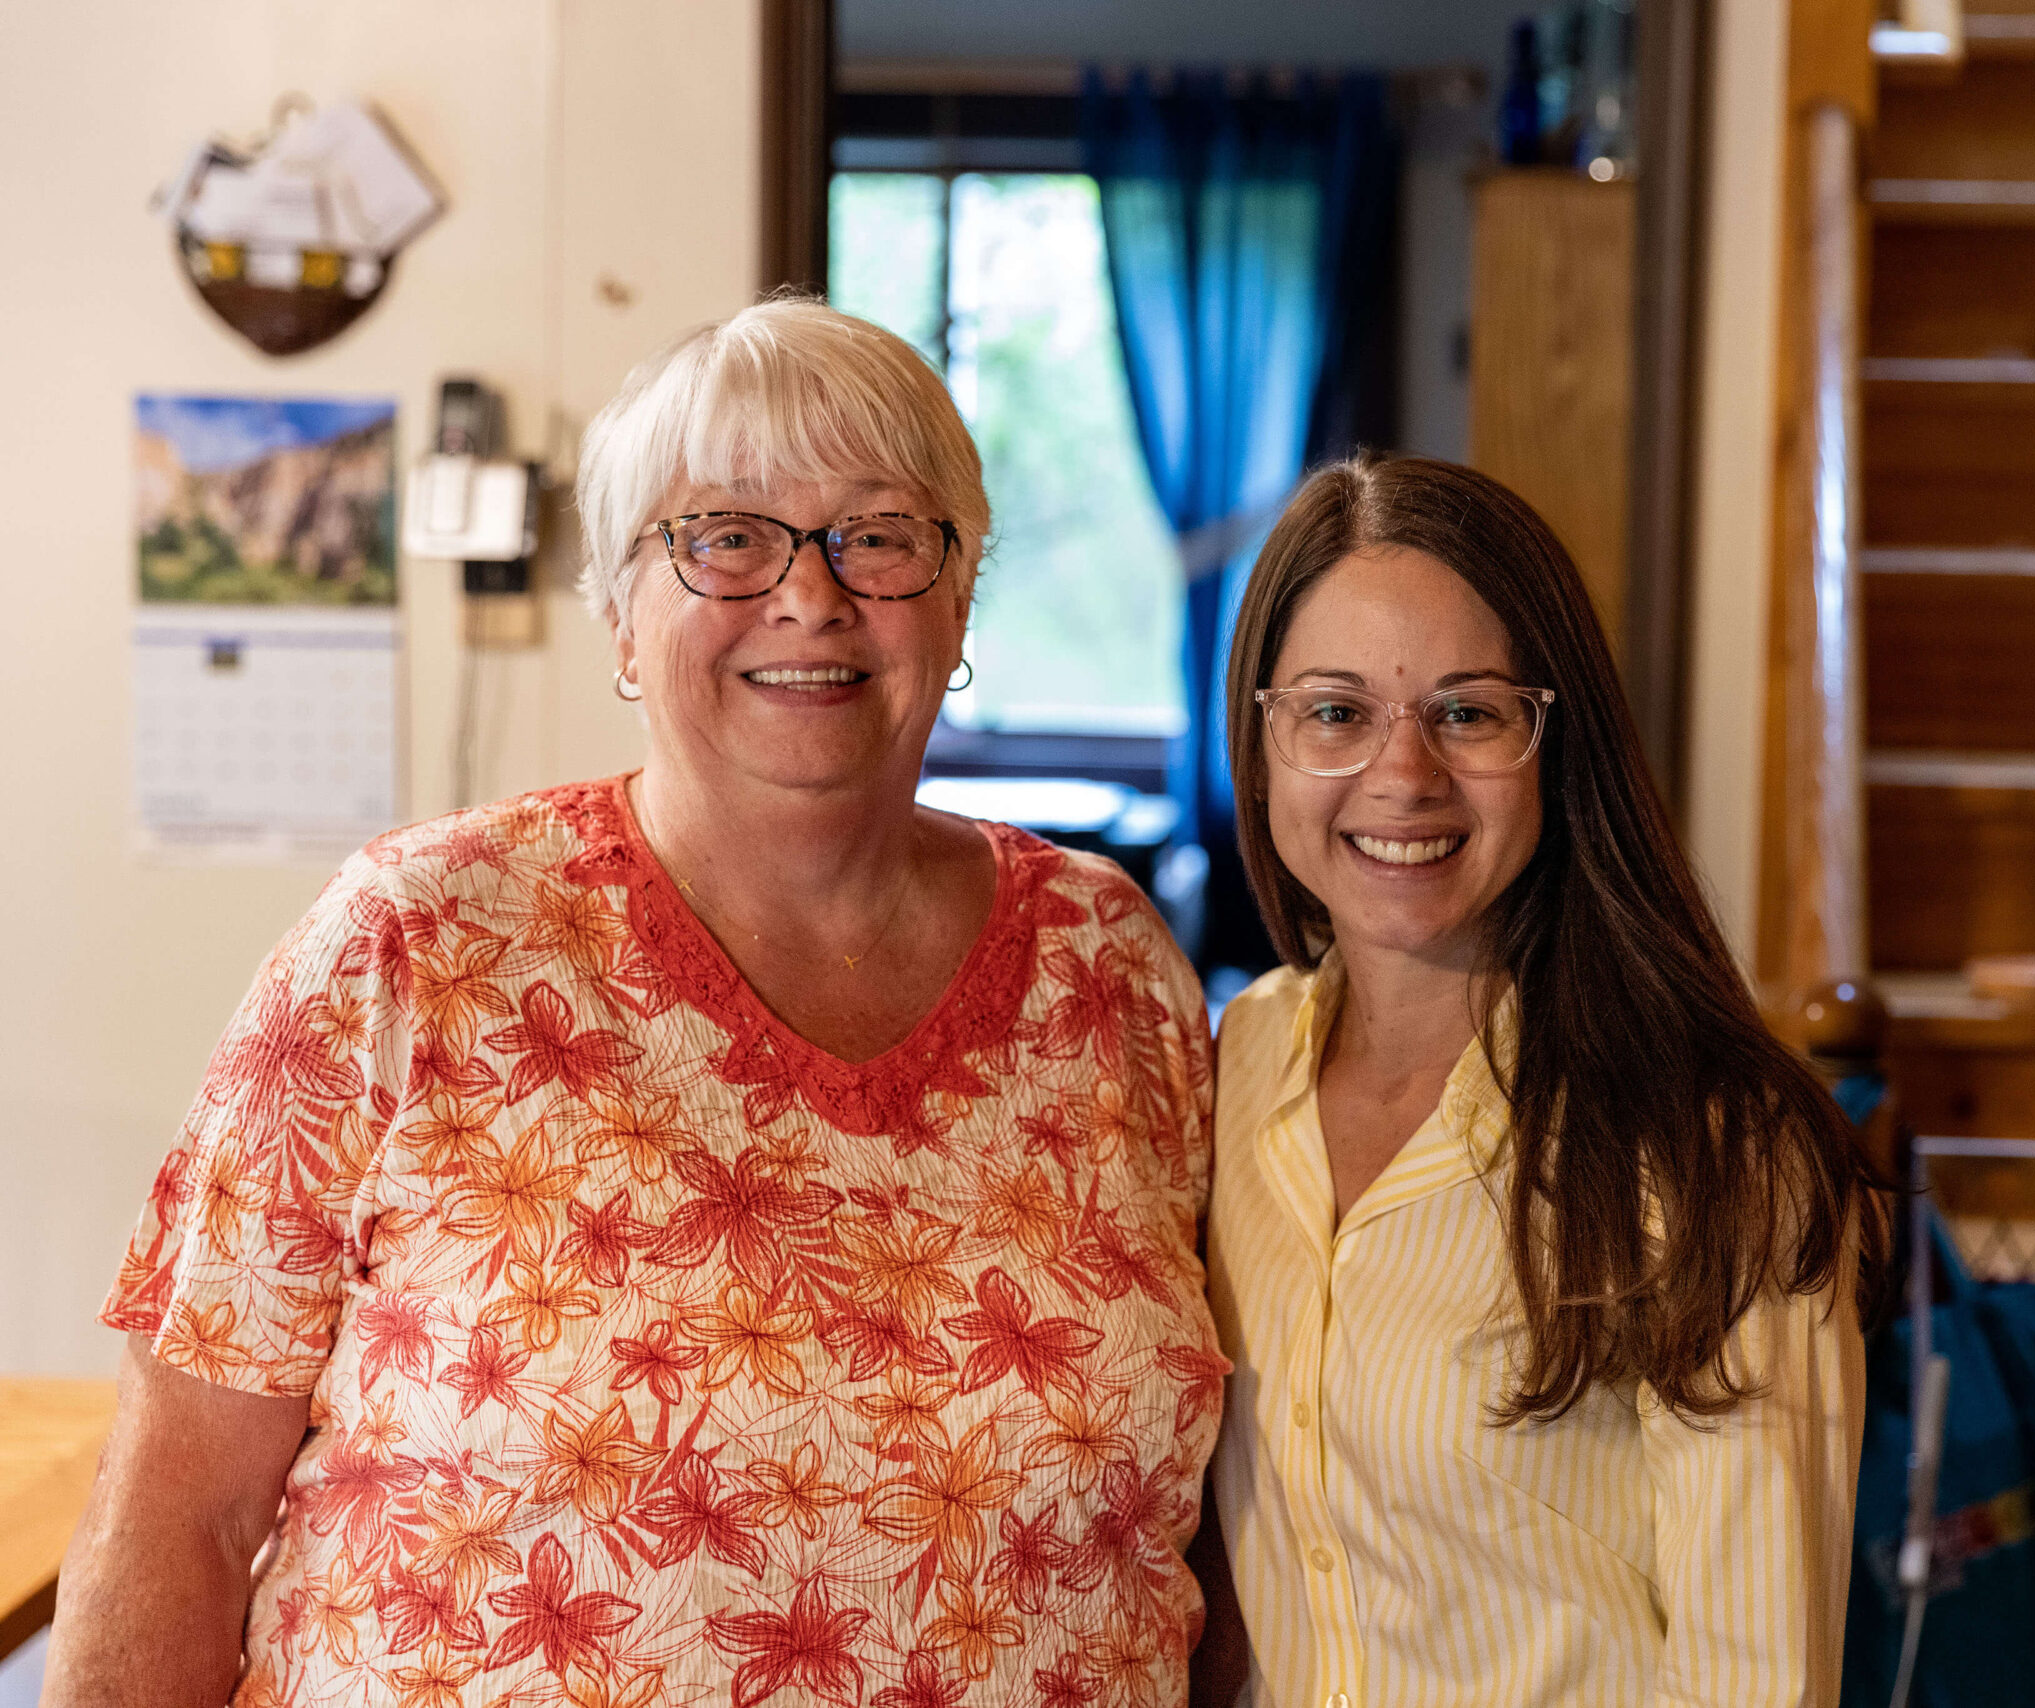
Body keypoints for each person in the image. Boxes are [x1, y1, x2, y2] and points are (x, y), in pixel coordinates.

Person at [49, 299, 1225, 1708]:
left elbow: (1203, 1530)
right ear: (617, 605)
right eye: (726, 535)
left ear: (959, 597)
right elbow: (179, 1513)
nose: (810, 596)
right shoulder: (412, 942)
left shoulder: (1109, 964)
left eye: (881, 534)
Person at [1201, 456, 1881, 1707]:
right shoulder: (1236, 1064)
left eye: (1468, 712)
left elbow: (1757, 1678)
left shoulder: (1715, 1151)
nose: (1402, 775)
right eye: (1335, 712)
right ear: (1262, 740)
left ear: (1555, 743)